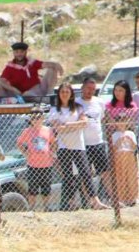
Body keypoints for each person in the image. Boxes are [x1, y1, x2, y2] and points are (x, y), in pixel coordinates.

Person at [48, 82, 110, 211]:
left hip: (79, 145)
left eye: (67, 92)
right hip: (64, 146)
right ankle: (71, 202)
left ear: (71, 94)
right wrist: (74, 125)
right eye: (62, 92)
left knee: (86, 173)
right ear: (59, 94)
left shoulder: (78, 107)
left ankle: (95, 201)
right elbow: (57, 128)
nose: (65, 94)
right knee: (68, 175)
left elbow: (84, 123)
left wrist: (67, 125)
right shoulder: (54, 110)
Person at [77, 78, 114, 204]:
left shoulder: (99, 102)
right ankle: (89, 201)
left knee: (105, 172)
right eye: (88, 88)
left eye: (93, 89)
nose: (90, 91)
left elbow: (104, 119)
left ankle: (114, 199)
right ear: (82, 87)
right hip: (82, 144)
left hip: (98, 142)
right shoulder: (76, 103)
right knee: (85, 174)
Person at [0, 42, 64, 100]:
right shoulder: (10, 67)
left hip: (38, 89)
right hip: (22, 94)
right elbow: (1, 81)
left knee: (52, 68)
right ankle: (7, 105)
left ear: (25, 52)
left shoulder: (31, 62)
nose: (19, 54)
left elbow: (45, 64)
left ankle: (50, 95)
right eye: (17, 52)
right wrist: (14, 89)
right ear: (14, 53)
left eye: (21, 52)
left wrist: (56, 64)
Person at [16, 112, 57, 211]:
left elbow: (54, 142)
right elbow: (19, 143)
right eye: (33, 118)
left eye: (38, 117)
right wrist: (26, 153)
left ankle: (46, 207)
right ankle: (32, 208)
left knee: (46, 188)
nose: (36, 120)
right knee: (32, 189)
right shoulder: (27, 131)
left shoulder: (48, 130)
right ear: (31, 120)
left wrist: (51, 152)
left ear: (42, 118)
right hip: (33, 164)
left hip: (46, 164)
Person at [110, 115, 139, 206]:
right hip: (119, 155)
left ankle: (133, 198)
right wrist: (119, 140)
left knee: (131, 176)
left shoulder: (130, 133)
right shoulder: (114, 135)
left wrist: (130, 140)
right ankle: (121, 198)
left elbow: (134, 148)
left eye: (123, 121)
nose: (121, 123)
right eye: (119, 121)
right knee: (120, 176)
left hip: (129, 154)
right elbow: (113, 148)